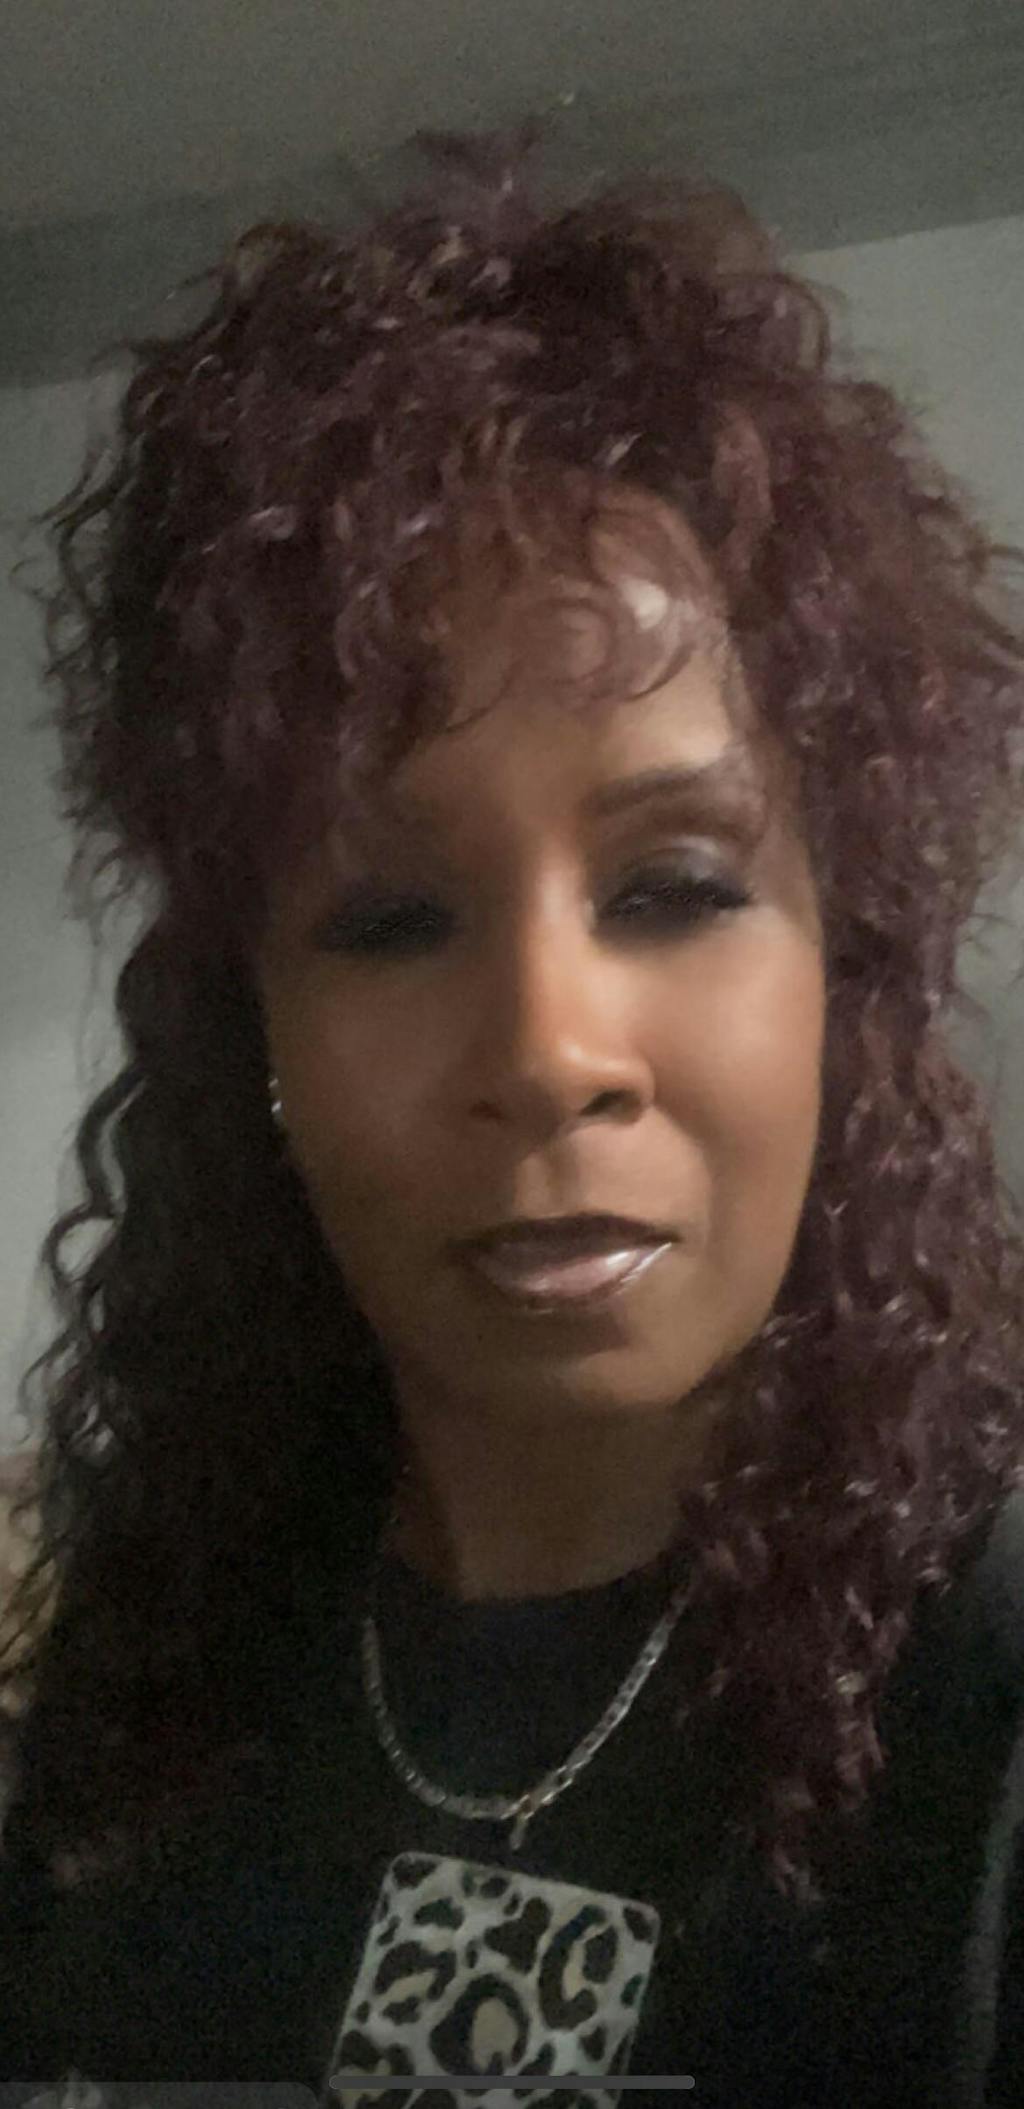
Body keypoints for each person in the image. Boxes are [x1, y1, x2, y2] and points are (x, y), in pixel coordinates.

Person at [1, 125, 1024, 2109]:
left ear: (845, 973)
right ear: (252, 1024)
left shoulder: (982, 1710)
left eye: (675, 885)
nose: (551, 1051)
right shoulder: (153, 1673)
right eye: (390, 918)